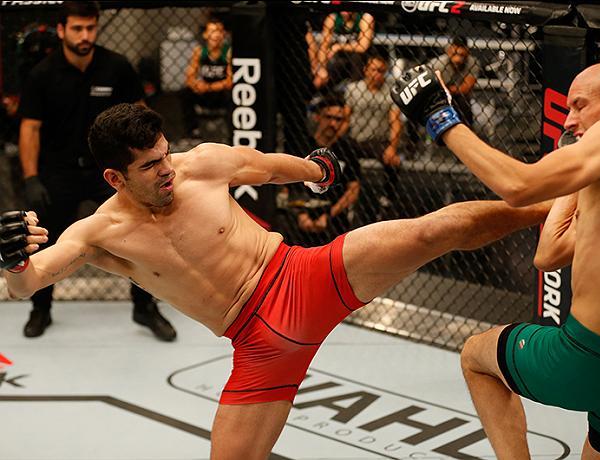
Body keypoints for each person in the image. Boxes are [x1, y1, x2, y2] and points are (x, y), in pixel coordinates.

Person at [1, 102, 550, 459]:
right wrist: (15, 263)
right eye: (149, 167)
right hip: (258, 348)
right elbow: (30, 284)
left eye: (165, 155)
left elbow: (264, 165)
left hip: (302, 276)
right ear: (115, 177)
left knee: (435, 230)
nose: (167, 170)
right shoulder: (98, 231)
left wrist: (318, 171)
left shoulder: (202, 163)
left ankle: (548, 205)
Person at [391, 63, 600, 458]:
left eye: (580, 106)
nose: (569, 121)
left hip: (590, 357)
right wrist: (576, 179)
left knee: (476, 356)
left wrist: (441, 118)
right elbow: (549, 254)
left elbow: (518, 186)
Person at [16, 1, 175, 340]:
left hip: (112, 173)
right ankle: (40, 308)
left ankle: (145, 307)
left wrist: (150, 168)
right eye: (77, 28)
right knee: (47, 237)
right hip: (59, 171)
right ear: (61, 30)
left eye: (90, 27)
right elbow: (30, 129)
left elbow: (142, 118)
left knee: (141, 233)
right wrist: (31, 178)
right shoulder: (42, 75)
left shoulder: (116, 67)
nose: (85, 35)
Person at [292, 92, 361, 245]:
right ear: (317, 117)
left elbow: (354, 190)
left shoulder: (347, 149)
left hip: (333, 216)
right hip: (301, 211)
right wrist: (301, 214)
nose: (333, 124)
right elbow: (288, 185)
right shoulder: (302, 145)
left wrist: (329, 215)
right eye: (328, 117)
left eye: (338, 120)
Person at [344, 54, 402, 220]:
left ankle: (387, 200)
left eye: (382, 71)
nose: (378, 74)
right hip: (356, 140)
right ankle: (348, 197)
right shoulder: (354, 89)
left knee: (394, 162)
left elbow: (395, 120)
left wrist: (392, 148)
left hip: (378, 141)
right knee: (344, 154)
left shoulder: (391, 91)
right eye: (375, 70)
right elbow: (346, 118)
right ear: (366, 70)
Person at [180, 17, 232, 140]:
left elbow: (230, 81)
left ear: (223, 34)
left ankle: (232, 132)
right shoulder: (199, 51)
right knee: (185, 93)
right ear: (205, 35)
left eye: (218, 31)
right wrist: (196, 85)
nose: (215, 35)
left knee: (232, 95)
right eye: (212, 31)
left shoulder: (228, 52)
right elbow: (189, 77)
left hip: (221, 93)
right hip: (204, 93)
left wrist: (208, 87)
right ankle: (193, 131)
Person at [425, 35, 480, 126]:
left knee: (463, 102)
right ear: (449, 50)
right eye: (455, 53)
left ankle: (467, 129)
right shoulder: (439, 64)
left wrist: (448, 90)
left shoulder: (472, 63)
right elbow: (433, 86)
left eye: (461, 54)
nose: (458, 57)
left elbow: (466, 88)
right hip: (439, 96)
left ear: (467, 51)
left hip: (457, 96)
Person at [315, 11, 375, 89]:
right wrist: (322, 68)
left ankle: (354, 90)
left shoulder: (365, 18)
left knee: (356, 58)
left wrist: (338, 46)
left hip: (360, 60)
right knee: (319, 78)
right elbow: (323, 47)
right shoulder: (333, 18)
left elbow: (363, 47)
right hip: (340, 59)